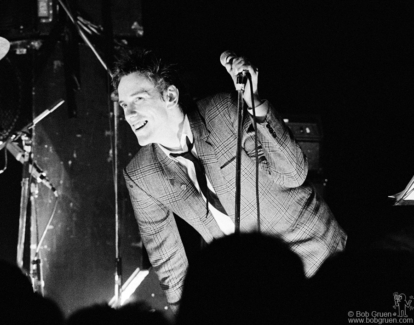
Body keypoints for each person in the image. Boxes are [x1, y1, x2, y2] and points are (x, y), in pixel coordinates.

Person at [111, 47, 347, 312]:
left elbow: (293, 174)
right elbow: (168, 262)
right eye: (123, 105)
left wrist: (254, 102)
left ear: (170, 95)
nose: (128, 114)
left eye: (138, 99)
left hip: (317, 262)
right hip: (254, 289)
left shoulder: (223, 112)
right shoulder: (141, 174)